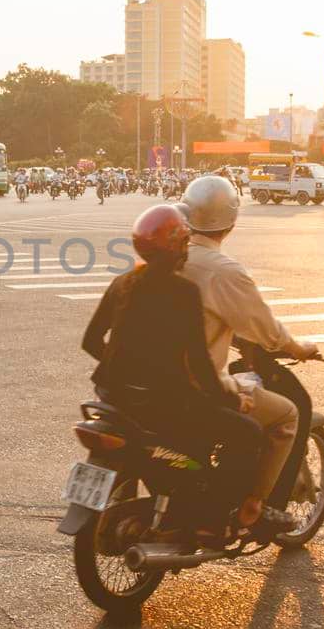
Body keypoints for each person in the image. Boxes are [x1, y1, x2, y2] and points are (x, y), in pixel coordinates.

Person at [82, 204, 264, 541]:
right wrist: (234, 399)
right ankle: (212, 521)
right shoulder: (184, 292)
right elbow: (199, 363)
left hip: (113, 400)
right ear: (178, 247)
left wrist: (121, 367)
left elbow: (91, 340)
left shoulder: (122, 283)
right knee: (249, 433)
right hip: (165, 408)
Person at [179, 175, 322, 536]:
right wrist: (299, 349)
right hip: (197, 389)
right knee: (287, 415)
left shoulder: (164, 260)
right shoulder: (224, 271)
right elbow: (268, 331)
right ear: (231, 222)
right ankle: (256, 506)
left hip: (149, 381)